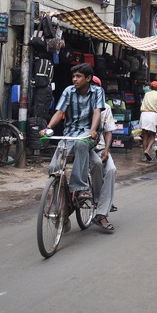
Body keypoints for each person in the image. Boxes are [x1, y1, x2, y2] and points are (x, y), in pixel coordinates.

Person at [43, 62, 104, 205]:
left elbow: (97, 112)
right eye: (73, 77)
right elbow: (60, 112)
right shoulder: (68, 91)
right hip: (70, 133)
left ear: (88, 78)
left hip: (88, 134)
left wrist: (93, 130)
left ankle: (80, 187)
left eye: (78, 76)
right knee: (54, 167)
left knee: (81, 143)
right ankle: (58, 199)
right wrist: (48, 127)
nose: (75, 79)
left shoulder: (97, 92)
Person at [89, 76, 117, 233]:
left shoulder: (105, 107)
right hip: (81, 146)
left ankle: (101, 212)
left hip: (99, 146)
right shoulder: (78, 103)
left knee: (111, 169)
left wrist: (106, 149)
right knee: (97, 164)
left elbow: (108, 132)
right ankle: (100, 202)